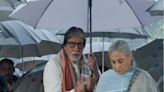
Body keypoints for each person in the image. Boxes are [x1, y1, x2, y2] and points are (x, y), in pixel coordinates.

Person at [43, 26, 100, 92]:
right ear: (64, 46)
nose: (76, 49)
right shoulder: (53, 65)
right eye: (72, 44)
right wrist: (79, 89)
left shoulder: (88, 62)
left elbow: (100, 86)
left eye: (80, 44)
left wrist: (95, 69)